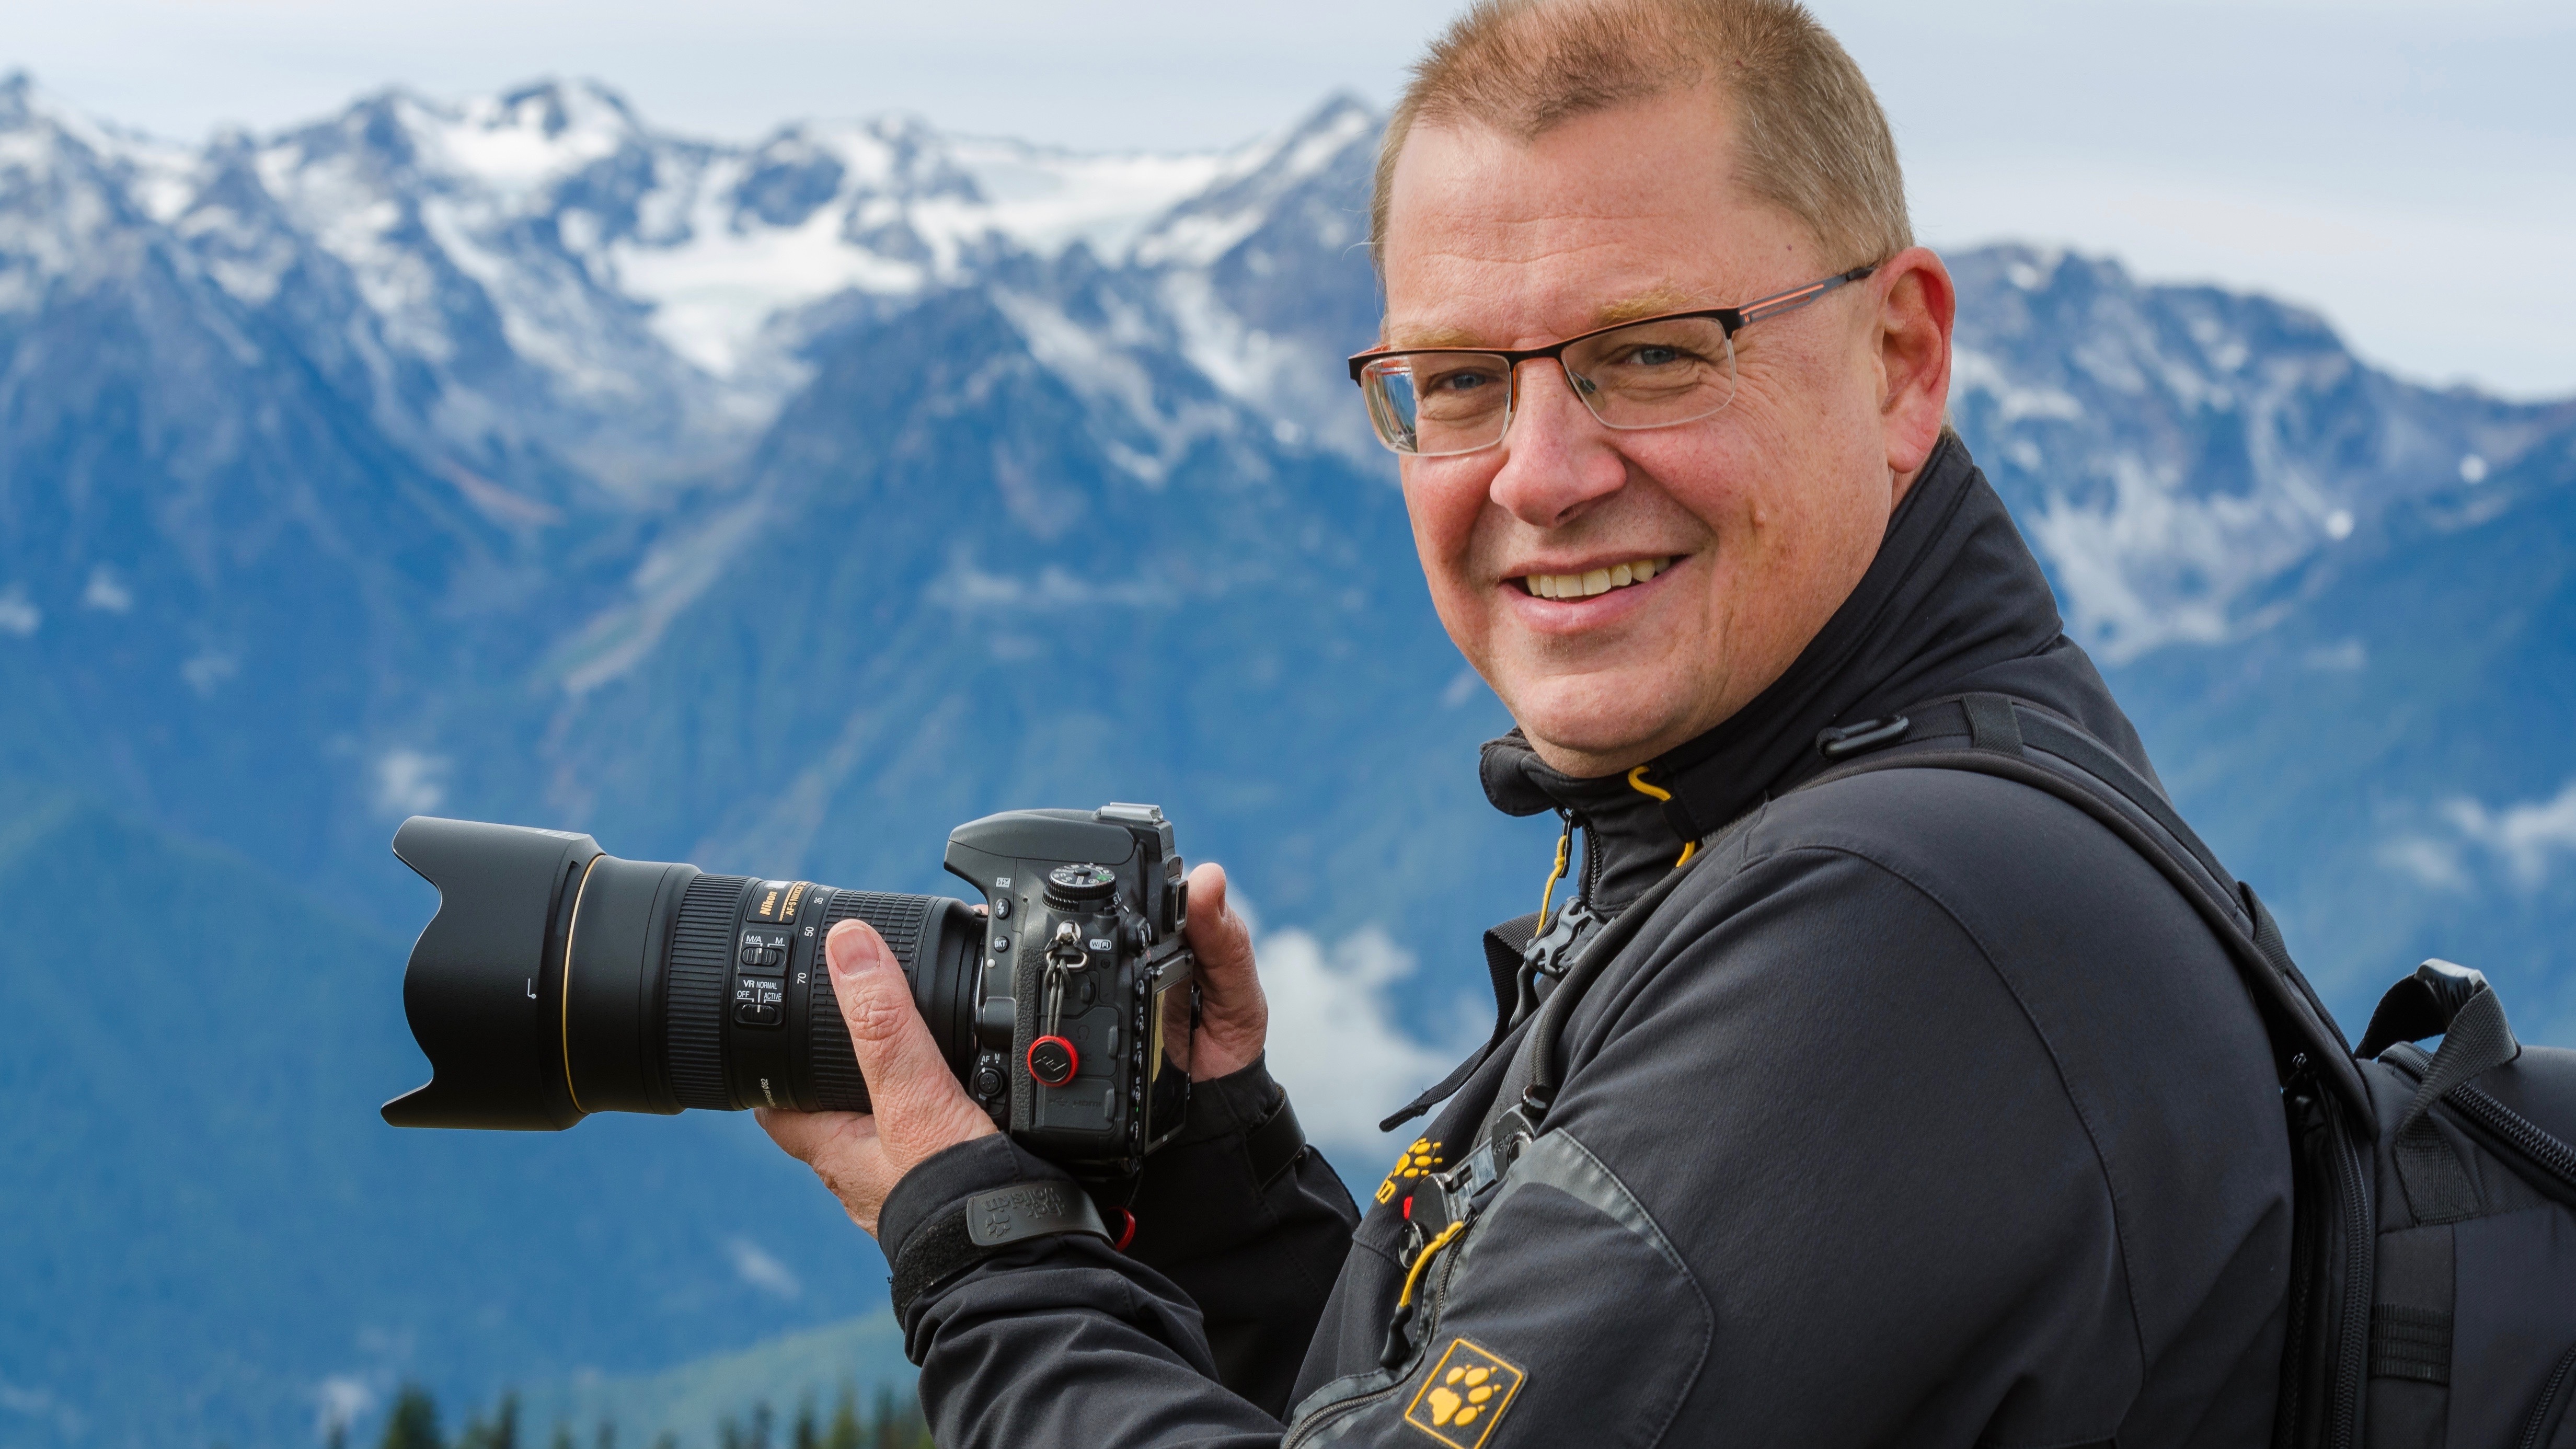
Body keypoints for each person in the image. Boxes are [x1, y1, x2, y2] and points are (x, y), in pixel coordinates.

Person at [756, 1, 2294, 1443]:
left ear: (1901, 359)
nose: (1540, 475)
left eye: (1649, 354)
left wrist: (986, 1260)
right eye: (1462, 381)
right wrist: (1218, 1184)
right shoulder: (1767, 813)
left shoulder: (1903, 925)